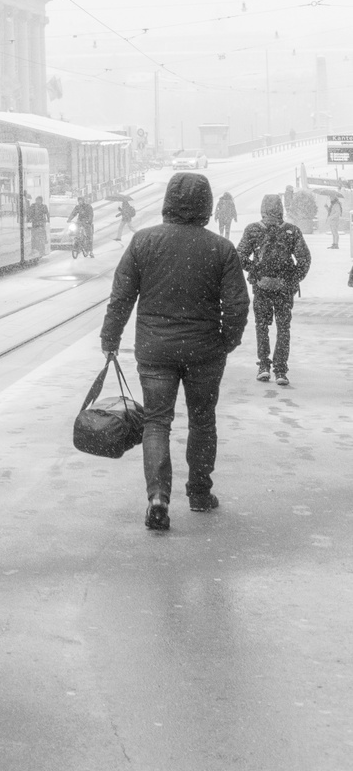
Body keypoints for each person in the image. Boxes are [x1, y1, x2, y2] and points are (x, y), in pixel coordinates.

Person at [100, 173, 248, 531]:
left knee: (156, 423)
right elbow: (238, 305)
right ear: (206, 206)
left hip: (154, 350)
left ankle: (157, 498)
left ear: (168, 201)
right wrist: (225, 341)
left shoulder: (143, 241)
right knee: (202, 421)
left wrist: (110, 337)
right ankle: (198, 492)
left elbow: (122, 297)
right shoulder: (220, 248)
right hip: (204, 351)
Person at [236, 195, 311, 386]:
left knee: (262, 326)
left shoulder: (253, 230)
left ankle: (263, 365)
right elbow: (304, 259)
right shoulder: (291, 231)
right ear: (281, 209)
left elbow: (240, 255)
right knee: (283, 328)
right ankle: (280, 369)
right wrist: (292, 278)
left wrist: (255, 271)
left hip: (261, 287)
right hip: (284, 288)